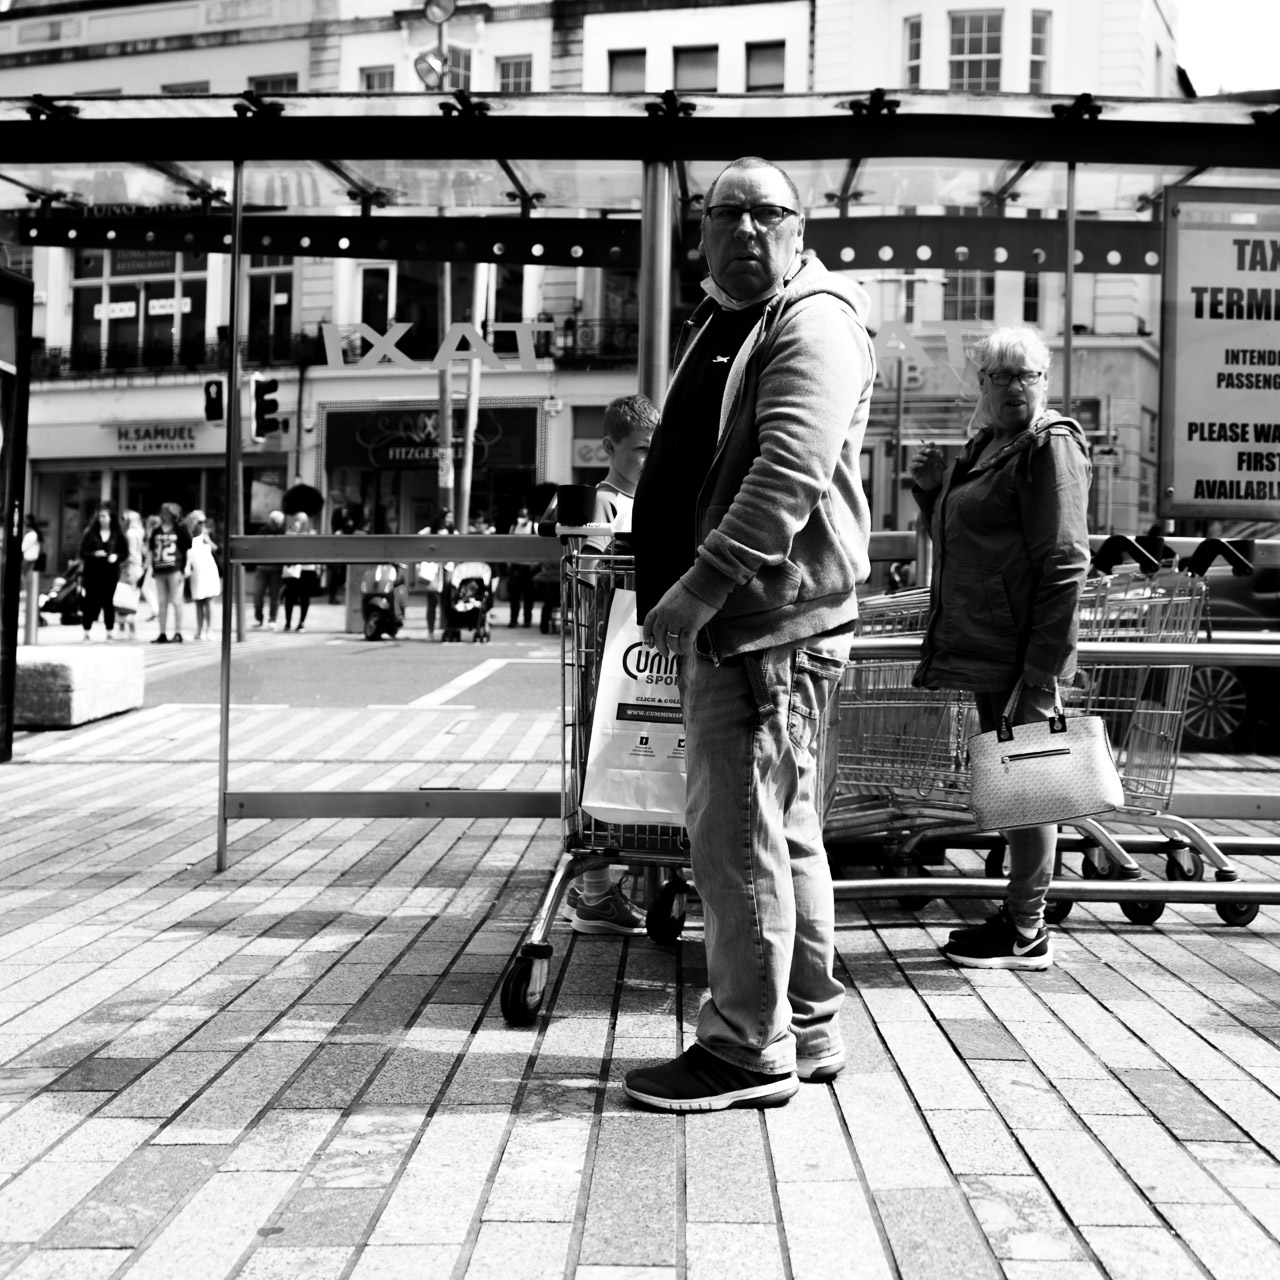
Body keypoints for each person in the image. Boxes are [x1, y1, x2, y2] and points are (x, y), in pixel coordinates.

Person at [624, 156, 874, 1112]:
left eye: (768, 213)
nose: (745, 230)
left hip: (760, 623)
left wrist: (699, 587)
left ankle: (745, 1048)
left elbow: (787, 476)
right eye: (726, 214)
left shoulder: (812, 321)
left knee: (735, 835)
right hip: (756, 622)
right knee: (781, 828)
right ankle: (805, 1025)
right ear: (701, 232)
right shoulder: (730, 318)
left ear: (800, 228)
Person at [908, 325, 1091, 972]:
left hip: (1020, 655)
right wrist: (931, 490)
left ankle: (1026, 929)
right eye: (1002, 375)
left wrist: (1042, 669)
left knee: (1031, 788)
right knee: (1016, 788)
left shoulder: (1048, 445)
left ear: (1044, 381)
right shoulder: (986, 446)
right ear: (981, 384)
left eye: (1028, 375)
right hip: (990, 644)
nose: (1016, 387)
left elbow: (1066, 561)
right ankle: (1019, 920)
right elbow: (963, 539)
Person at [563, 392, 660, 937]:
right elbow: (587, 580)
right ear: (609, 447)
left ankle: (606, 887)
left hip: (646, 654)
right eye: (642, 449)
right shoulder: (602, 503)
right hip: (609, 654)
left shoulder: (659, 498)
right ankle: (597, 891)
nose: (651, 458)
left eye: (657, 448)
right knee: (597, 755)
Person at [78, 502, 128, 641]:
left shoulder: (117, 534)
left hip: (110, 573)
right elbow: (81, 553)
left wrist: (116, 556)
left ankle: (109, 630)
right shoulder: (90, 533)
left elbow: (124, 553)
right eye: (100, 516)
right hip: (92, 572)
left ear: (111, 518)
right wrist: (94, 554)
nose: (102, 519)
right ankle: (86, 631)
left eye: (104, 516)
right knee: (90, 601)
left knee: (108, 602)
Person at [148, 502, 191, 644]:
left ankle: (178, 632)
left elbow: (187, 547)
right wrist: (150, 566)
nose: (163, 514)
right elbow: (151, 549)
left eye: (166, 512)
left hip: (175, 568)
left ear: (173, 514)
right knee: (162, 602)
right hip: (159, 569)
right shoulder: (157, 529)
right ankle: (162, 633)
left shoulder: (180, 528)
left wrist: (186, 567)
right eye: (162, 511)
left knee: (176, 600)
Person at [418, 511, 455, 640]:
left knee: (447, 600)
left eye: (451, 517)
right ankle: (430, 631)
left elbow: (459, 546)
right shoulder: (430, 530)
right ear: (441, 518)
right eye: (447, 517)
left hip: (447, 568)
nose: (449, 519)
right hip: (433, 568)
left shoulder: (453, 532)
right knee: (432, 600)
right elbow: (418, 538)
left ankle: (447, 630)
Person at [185, 510, 221, 641]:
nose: (202, 524)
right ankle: (199, 630)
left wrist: (208, 540)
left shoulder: (207, 534)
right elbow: (186, 551)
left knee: (209, 601)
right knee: (198, 601)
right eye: (199, 521)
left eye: (203, 521)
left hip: (208, 570)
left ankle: (209, 629)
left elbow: (218, 549)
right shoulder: (187, 535)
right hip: (196, 572)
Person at [281, 512, 320, 632]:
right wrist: (294, 533)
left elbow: (316, 552)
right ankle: (287, 623)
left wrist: (318, 567)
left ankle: (301, 622)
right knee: (290, 597)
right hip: (293, 570)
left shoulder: (312, 535)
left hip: (307, 570)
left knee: (305, 597)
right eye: (295, 520)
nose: (297, 522)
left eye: (301, 521)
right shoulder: (289, 534)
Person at [251, 510, 287, 630]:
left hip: (277, 568)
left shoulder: (283, 532)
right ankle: (258, 618)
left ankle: (272, 619)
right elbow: (256, 546)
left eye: (277, 522)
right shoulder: (263, 530)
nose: (275, 525)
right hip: (262, 568)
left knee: (275, 596)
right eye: (273, 522)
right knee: (257, 595)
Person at [506, 506, 536, 628]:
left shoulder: (534, 527)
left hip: (529, 567)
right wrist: (509, 562)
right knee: (514, 595)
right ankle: (513, 619)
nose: (521, 519)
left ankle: (527, 620)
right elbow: (509, 545)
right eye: (520, 516)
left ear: (528, 517)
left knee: (528, 596)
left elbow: (541, 545)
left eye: (523, 516)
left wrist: (537, 563)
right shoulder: (514, 527)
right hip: (516, 566)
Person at [120, 510, 146, 639]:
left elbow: (131, 554)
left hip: (129, 568)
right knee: (130, 599)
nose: (121, 521)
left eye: (123, 518)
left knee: (124, 599)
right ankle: (128, 629)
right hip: (135, 567)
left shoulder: (130, 533)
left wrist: (128, 569)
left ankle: (126, 629)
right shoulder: (138, 532)